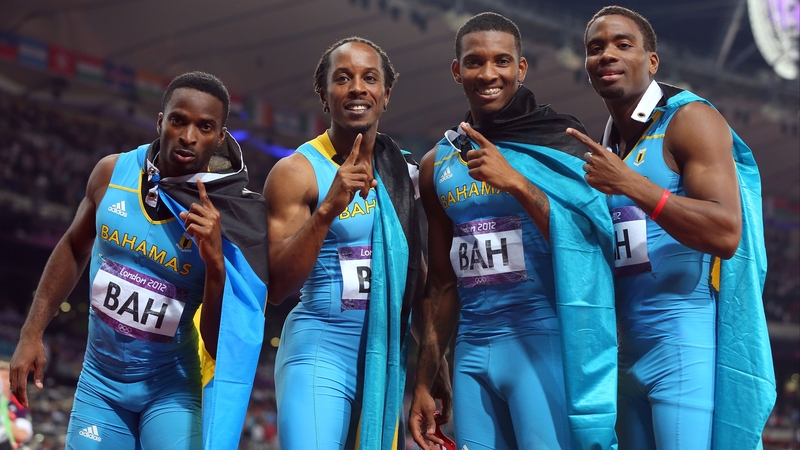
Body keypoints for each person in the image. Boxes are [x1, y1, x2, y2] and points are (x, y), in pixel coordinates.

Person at [9, 71, 268, 449]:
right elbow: (73, 247)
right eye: (179, 120)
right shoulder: (112, 172)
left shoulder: (226, 216)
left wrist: (215, 265)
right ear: (161, 121)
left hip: (171, 391)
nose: (189, 136)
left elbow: (216, 343)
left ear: (221, 138)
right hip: (99, 384)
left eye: (205, 126)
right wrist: (31, 333)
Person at [568, 6, 776, 450]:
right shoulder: (608, 146)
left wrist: (631, 184)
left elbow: (725, 231)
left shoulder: (689, 119)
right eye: (595, 48)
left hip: (681, 346)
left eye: (623, 45)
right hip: (623, 352)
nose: (607, 55)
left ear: (652, 61)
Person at [408, 12, 618, 450]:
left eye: (502, 61)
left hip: (542, 345)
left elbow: (590, 247)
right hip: (471, 354)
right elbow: (443, 284)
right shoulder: (438, 163)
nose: (488, 74)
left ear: (520, 69)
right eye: (474, 62)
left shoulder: (561, 145)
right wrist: (425, 381)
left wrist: (518, 183)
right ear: (456, 70)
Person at [263, 37, 450, 450]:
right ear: (324, 94)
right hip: (318, 354)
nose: (357, 88)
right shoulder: (297, 172)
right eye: (342, 78)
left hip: (385, 362)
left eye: (369, 78)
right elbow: (277, 286)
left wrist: (433, 373)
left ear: (386, 94)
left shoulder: (406, 177)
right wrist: (328, 208)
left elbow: (416, 284)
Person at [0, 361, 32, 450]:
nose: (1, 381)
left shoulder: (18, 405)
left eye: (5, 377)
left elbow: (23, 435)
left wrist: (3, 419)